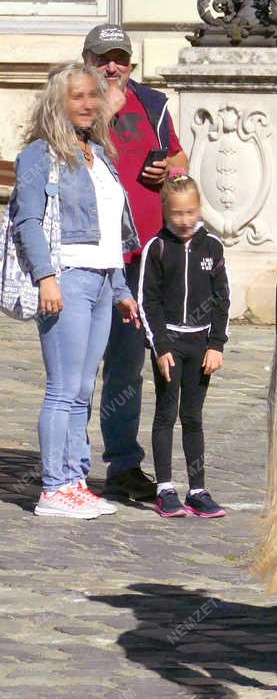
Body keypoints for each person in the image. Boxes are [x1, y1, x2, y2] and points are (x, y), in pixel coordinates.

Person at [10, 63, 141, 519]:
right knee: (63, 388)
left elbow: (113, 230)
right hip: (68, 279)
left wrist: (122, 289)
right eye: (78, 97)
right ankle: (53, 488)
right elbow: (25, 221)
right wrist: (47, 276)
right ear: (58, 103)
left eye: (93, 96)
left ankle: (75, 479)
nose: (88, 104)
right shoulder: (39, 155)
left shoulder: (99, 154)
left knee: (84, 388)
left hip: (104, 280)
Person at [82, 24, 189, 502]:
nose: (112, 67)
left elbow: (181, 157)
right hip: (87, 256)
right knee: (80, 368)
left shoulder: (152, 103)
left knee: (127, 367)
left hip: (141, 259)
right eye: (103, 57)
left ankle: (123, 465)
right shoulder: (75, 102)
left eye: (120, 58)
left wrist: (171, 169)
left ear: (130, 64)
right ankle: (69, 467)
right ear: (87, 59)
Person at [139, 170, 230, 519]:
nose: (184, 220)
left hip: (201, 346)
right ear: (165, 211)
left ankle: (198, 489)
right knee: (166, 414)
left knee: (193, 417)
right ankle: (164, 488)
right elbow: (149, 301)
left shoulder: (213, 247)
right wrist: (160, 346)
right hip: (170, 345)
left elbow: (223, 298)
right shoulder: (158, 248)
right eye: (177, 213)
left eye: (190, 212)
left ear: (199, 209)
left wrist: (216, 343)